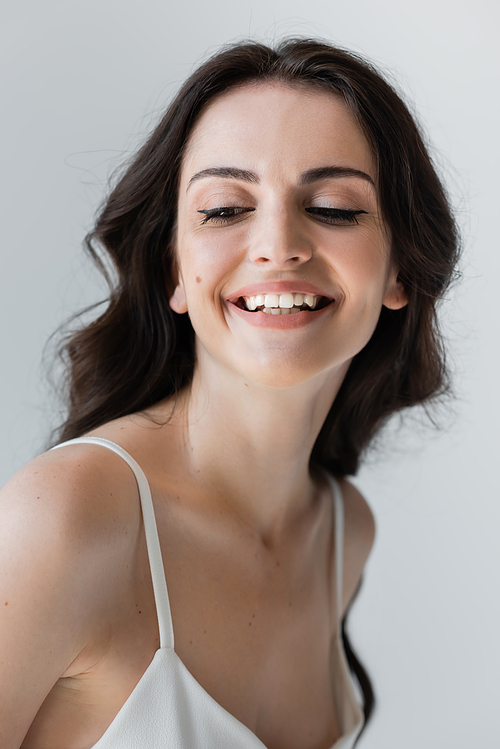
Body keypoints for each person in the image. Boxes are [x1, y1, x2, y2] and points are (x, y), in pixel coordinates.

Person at [0, 38, 459, 749]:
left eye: (335, 207)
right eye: (223, 209)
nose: (278, 244)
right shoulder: (64, 519)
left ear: (401, 268)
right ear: (173, 271)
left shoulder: (344, 533)